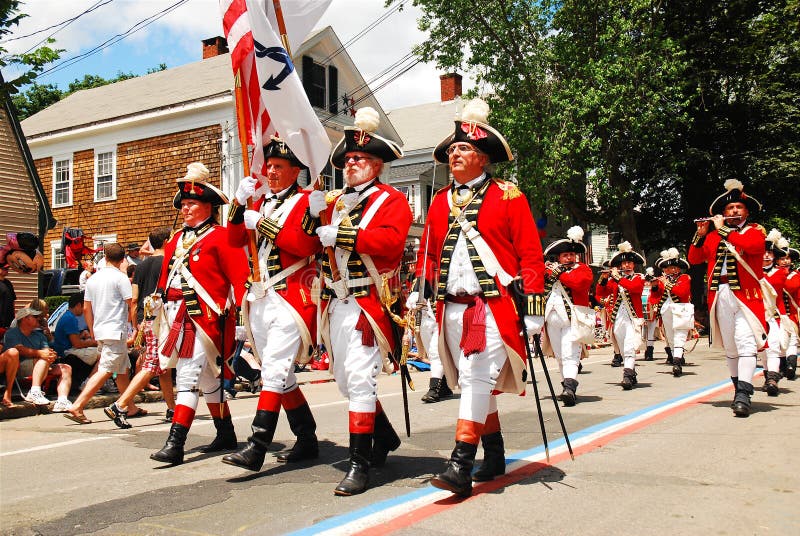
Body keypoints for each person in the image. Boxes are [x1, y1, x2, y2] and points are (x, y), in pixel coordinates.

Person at [409, 98, 545, 497]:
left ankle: (460, 464)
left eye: (463, 148)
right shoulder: (438, 202)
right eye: (452, 149)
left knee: (474, 379)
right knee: (474, 381)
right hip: (450, 307)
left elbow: (531, 255)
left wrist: (533, 310)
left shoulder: (509, 196)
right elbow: (429, 256)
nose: (454, 153)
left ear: (483, 158)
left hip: (492, 308)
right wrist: (421, 299)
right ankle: (496, 454)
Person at [311, 107, 411, 495]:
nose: (351, 163)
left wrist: (345, 236)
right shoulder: (335, 202)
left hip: (370, 303)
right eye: (348, 159)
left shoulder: (392, 200)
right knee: (345, 383)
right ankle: (384, 436)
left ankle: (359, 463)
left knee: (359, 379)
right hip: (337, 302)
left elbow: (390, 244)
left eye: (360, 159)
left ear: (377, 164)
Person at [221, 137, 322, 471]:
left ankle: (258, 444)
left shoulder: (308, 201)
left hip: (292, 295)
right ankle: (306, 435)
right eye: (270, 167)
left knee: (276, 369)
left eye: (279, 167)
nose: (272, 172)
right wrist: (237, 205)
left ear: (296, 170)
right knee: (279, 373)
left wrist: (261, 223)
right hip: (261, 297)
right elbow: (234, 240)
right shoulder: (260, 201)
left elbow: (303, 243)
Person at [149, 163, 249, 465]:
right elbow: (166, 277)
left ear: (208, 206)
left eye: (192, 203)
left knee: (190, 377)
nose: (186, 209)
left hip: (205, 317)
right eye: (184, 204)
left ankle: (175, 443)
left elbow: (238, 277)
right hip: (175, 313)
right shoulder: (175, 239)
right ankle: (226, 433)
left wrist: (243, 317)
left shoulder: (221, 236)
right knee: (208, 379)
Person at [688, 179, 767, 417]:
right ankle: (739, 388)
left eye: (738, 208)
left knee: (745, 342)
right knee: (731, 347)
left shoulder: (754, 231)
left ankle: (743, 393)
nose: (733, 211)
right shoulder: (713, 237)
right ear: (723, 212)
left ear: (746, 211)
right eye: (729, 209)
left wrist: (722, 230)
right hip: (720, 295)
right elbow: (695, 258)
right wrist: (701, 234)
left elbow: (750, 246)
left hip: (745, 296)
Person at [104, 226, 175, 428]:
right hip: (163, 318)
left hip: (146, 318)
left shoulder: (141, 266)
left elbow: (134, 299)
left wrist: (136, 325)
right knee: (152, 364)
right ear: (166, 241)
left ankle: (172, 408)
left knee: (163, 367)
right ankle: (119, 405)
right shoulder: (169, 263)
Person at [64, 243, 137, 424]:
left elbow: (87, 307)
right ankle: (78, 405)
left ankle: (130, 406)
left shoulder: (93, 279)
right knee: (106, 369)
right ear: (123, 260)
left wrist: (91, 329)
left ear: (105, 257)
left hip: (101, 329)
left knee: (121, 368)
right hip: (115, 329)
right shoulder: (120, 278)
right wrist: (135, 328)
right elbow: (132, 303)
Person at [542, 226, 594, 406]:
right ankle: (566, 386)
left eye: (572, 254)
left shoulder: (583, 269)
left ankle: (570, 387)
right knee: (559, 355)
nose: (569, 257)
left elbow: (579, 283)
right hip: (552, 319)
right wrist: (547, 270)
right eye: (565, 255)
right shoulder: (551, 270)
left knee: (571, 354)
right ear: (559, 257)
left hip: (573, 319)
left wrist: (559, 273)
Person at [4, 307, 72, 411]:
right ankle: (34, 391)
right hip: (19, 366)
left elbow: (46, 351)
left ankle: (62, 400)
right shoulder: (12, 333)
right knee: (43, 359)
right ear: (24, 319)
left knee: (66, 368)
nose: (39, 319)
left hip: (41, 365)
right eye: (35, 317)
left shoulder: (40, 336)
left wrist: (50, 355)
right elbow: (19, 350)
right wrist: (42, 354)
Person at [602, 241, 646, 389]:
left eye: (629, 263)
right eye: (624, 263)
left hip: (633, 318)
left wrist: (618, 279)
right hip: (618, 318)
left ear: (633, 265)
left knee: (629, 347)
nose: (626, 266)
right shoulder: (614, 280)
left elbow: (635, 289)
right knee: (622, 347)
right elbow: (601, 293)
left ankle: (627, 376)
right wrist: (603, 279)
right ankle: (631, 372)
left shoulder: (639, 277)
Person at [652, 248, 693, 377]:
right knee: (670, 336)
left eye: (675, 268)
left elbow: (682, 292)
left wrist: (667, 283)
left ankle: (677, 362)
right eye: (669, 268)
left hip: (680, 309)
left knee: (680, 335)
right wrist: (654, 286)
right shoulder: (662, 280)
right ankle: (677, 356)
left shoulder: (684, 277)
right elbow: (655, 296)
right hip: (666, 311)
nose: (672, 270)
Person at [759, 230, 788, 396]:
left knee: (774, 348)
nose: (766, 256)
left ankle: (772, 379)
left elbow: (773, 284)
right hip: (757, 315)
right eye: (763, 253)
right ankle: (768, 376)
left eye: (769, 252)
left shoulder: (780, 272)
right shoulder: (752, 271)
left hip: (774, 316)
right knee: (763, 350)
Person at [53, 292, 100, 388]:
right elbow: (77, 344)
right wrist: (96, 342)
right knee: (104, 355)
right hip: (67, 352)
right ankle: (89, 383)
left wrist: (82, 335)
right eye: (84, 307)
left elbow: (73, 338)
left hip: (65, 349)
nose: (85, 310)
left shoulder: (67, 316)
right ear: (78, 305)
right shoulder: (70, 318)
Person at [595, 260, 623, 366]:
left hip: (626, 312)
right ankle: (617, 353)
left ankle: (624, 354)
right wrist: (603, 278)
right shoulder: (610, 281)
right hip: (611, 311)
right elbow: (599, 293)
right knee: (613, 333)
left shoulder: (624, 278)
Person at [782, 245, 800, 379]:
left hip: (792, 313)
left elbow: (791, 286)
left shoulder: (795, 275)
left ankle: (790, 365)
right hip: (777, 314)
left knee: (792, 340)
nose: (785, 261)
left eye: (787, 258)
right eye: (782, 258)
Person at [643, 266, 660, 361]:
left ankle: (649, 351)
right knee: (642, 331)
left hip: (652, 309)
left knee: (651, 330)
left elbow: (657, 295)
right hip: (641, 309)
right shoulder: (642, 284)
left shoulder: (655, 284)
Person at [0, 261, 16, 333]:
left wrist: (14, 315)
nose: (7, 270)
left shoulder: (8, 283)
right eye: (5, 268)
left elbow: (13, 300)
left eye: (8, 268)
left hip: (9, 319)